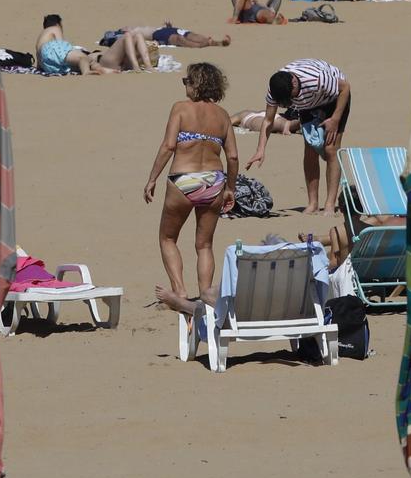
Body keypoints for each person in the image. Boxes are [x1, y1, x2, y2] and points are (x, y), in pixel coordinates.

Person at [144, 62, 239, 313]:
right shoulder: (223, 116)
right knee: (204, 245)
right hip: (214, 180)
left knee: (167, 237)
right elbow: (232, 157)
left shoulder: (180, 109)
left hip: (183, 180)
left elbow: (168, 146)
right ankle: (206, 296)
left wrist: (152, 178)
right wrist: (230, 187)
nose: (185, 84)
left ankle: (180, 292)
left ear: (197, 84)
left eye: (187, 80)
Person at [249, 59, 351, 213]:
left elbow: (345, 88)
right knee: (310, 150)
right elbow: (268, 120)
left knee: (331, 148)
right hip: (308, 105)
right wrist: (260, 149)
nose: (288, 103)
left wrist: (335, 119)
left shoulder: (316, 79)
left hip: (334, 99)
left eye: (290, 99)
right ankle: (313, 204)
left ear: (294, 83)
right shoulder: (275, 90)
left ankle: (330, 204)